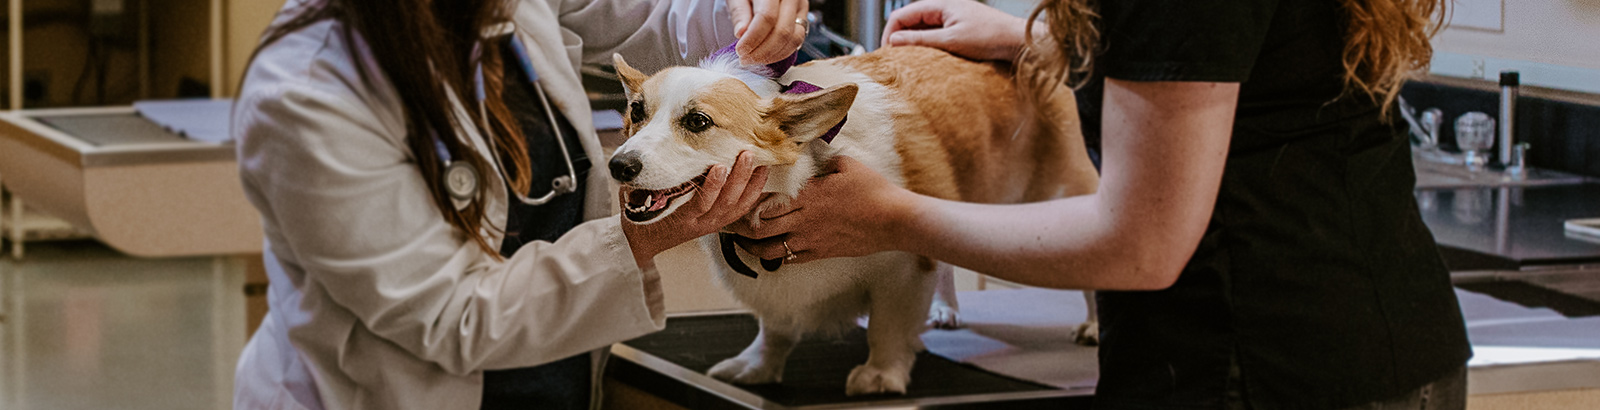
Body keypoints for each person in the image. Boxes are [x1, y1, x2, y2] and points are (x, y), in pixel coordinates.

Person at [732, 0, 1471, 408]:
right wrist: (1034, 38)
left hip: (1268, 366)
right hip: (1371, 338)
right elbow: (1250, 53)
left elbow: (1139, 245)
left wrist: (889, 216)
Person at [229, 0, 807, 408]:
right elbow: (453, 317)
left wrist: (744, 14)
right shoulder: (307, 95)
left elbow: (647, 15)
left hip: (554, 379)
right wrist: (640, 239)